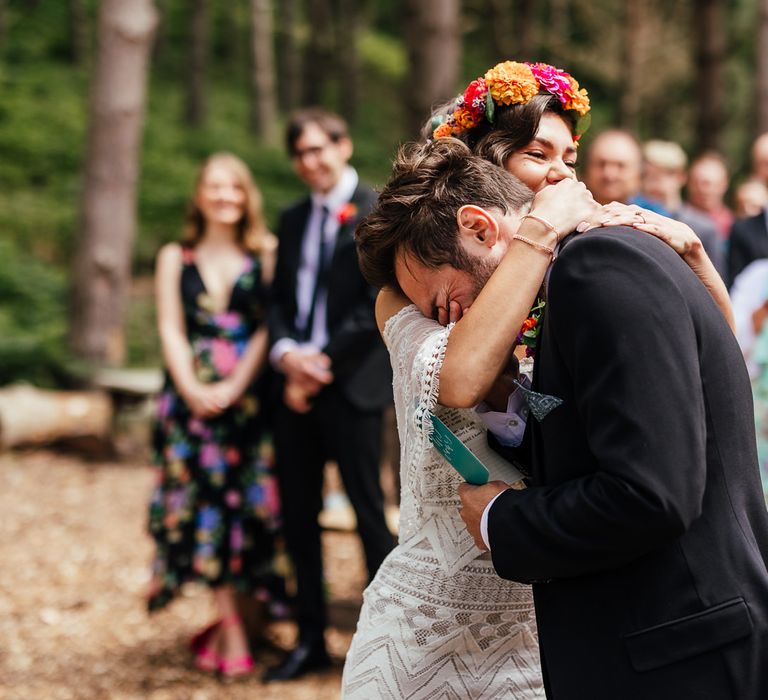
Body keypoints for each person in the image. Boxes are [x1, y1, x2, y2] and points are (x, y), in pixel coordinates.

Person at [344, 61, 742, 698]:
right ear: (478, 169)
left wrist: (694, 259)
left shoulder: (576, 273)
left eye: (570, 157)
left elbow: (708, 372)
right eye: (539, 154)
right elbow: (460, 380)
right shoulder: (409, 286)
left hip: (550, 609)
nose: (564, 175)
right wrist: (538, 229)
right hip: (432, 618)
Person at [264, 108, 395, 682]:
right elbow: (275, 300)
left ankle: (385, 643)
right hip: (293, 386)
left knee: (370, 513)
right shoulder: (291, 219)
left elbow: (378, 299)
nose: (310, 161)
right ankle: (310, 636)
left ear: (343, 147)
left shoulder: (376, 211)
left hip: (353, 385)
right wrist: (286, 353)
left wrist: (321, 361)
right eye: (300, 153)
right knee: (298, 513)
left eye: (319, 149)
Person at [149, 152, 283, 679]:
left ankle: (248, 621)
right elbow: (170, 329)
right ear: (199, 195)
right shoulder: (173, 257)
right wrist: (193, 389)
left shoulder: (265, 252)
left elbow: (269, 326)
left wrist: (232, 386)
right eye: (214, 186)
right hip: (191, 410)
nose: (224, 195)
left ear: (247, 196)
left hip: (248, 404)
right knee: (204, 508)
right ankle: (228, 624)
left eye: (234, 187)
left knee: (246, 510)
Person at [640, 139, 724, 274]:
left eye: (664, 174)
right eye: (648, 175)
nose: (655, 181)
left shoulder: (704, 228)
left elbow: (717, 283)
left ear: (681, 176)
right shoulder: (633, 219)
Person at [581, 129, 667, 214]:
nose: (609, 174)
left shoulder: (655, 216)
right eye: (601, 164)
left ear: (639, 171)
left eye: (620, 166)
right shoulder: (572, 211)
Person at [687, 151, 734, 242]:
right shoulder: (675, 218)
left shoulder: (733, 225)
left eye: (707, 184)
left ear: (724, 184)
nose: (702, 189)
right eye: (696, 183)